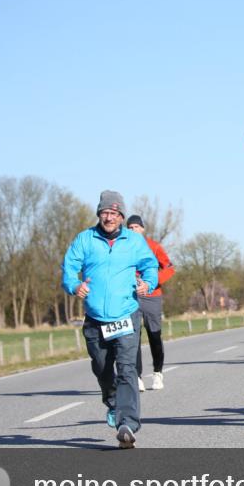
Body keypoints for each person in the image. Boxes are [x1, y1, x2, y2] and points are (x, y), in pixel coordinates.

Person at [62, 191, 158, 449]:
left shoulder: (134, 241)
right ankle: (113, 402)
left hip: (126, 314)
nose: (109, 217)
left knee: (127, 368)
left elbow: (151, 265)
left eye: (114, 214)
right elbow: (69, 266)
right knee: (102, 369)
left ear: (122, 217)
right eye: (105, 212)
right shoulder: (85, 239)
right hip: (95, 318)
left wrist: (147, 283)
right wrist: (74, 285)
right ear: (99, 214)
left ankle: (127, 423)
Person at [126, 215, 176, 391]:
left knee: (154, 335)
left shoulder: (153, 246)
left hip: (152, 295)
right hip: (131, 296)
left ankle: (157, 373)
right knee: (133, 337)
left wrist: (153, 282)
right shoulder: (123, 247)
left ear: (142, 229)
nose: (133, 231)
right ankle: (137, 376)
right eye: (130, 228)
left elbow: (169, 268)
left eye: (136, 227)